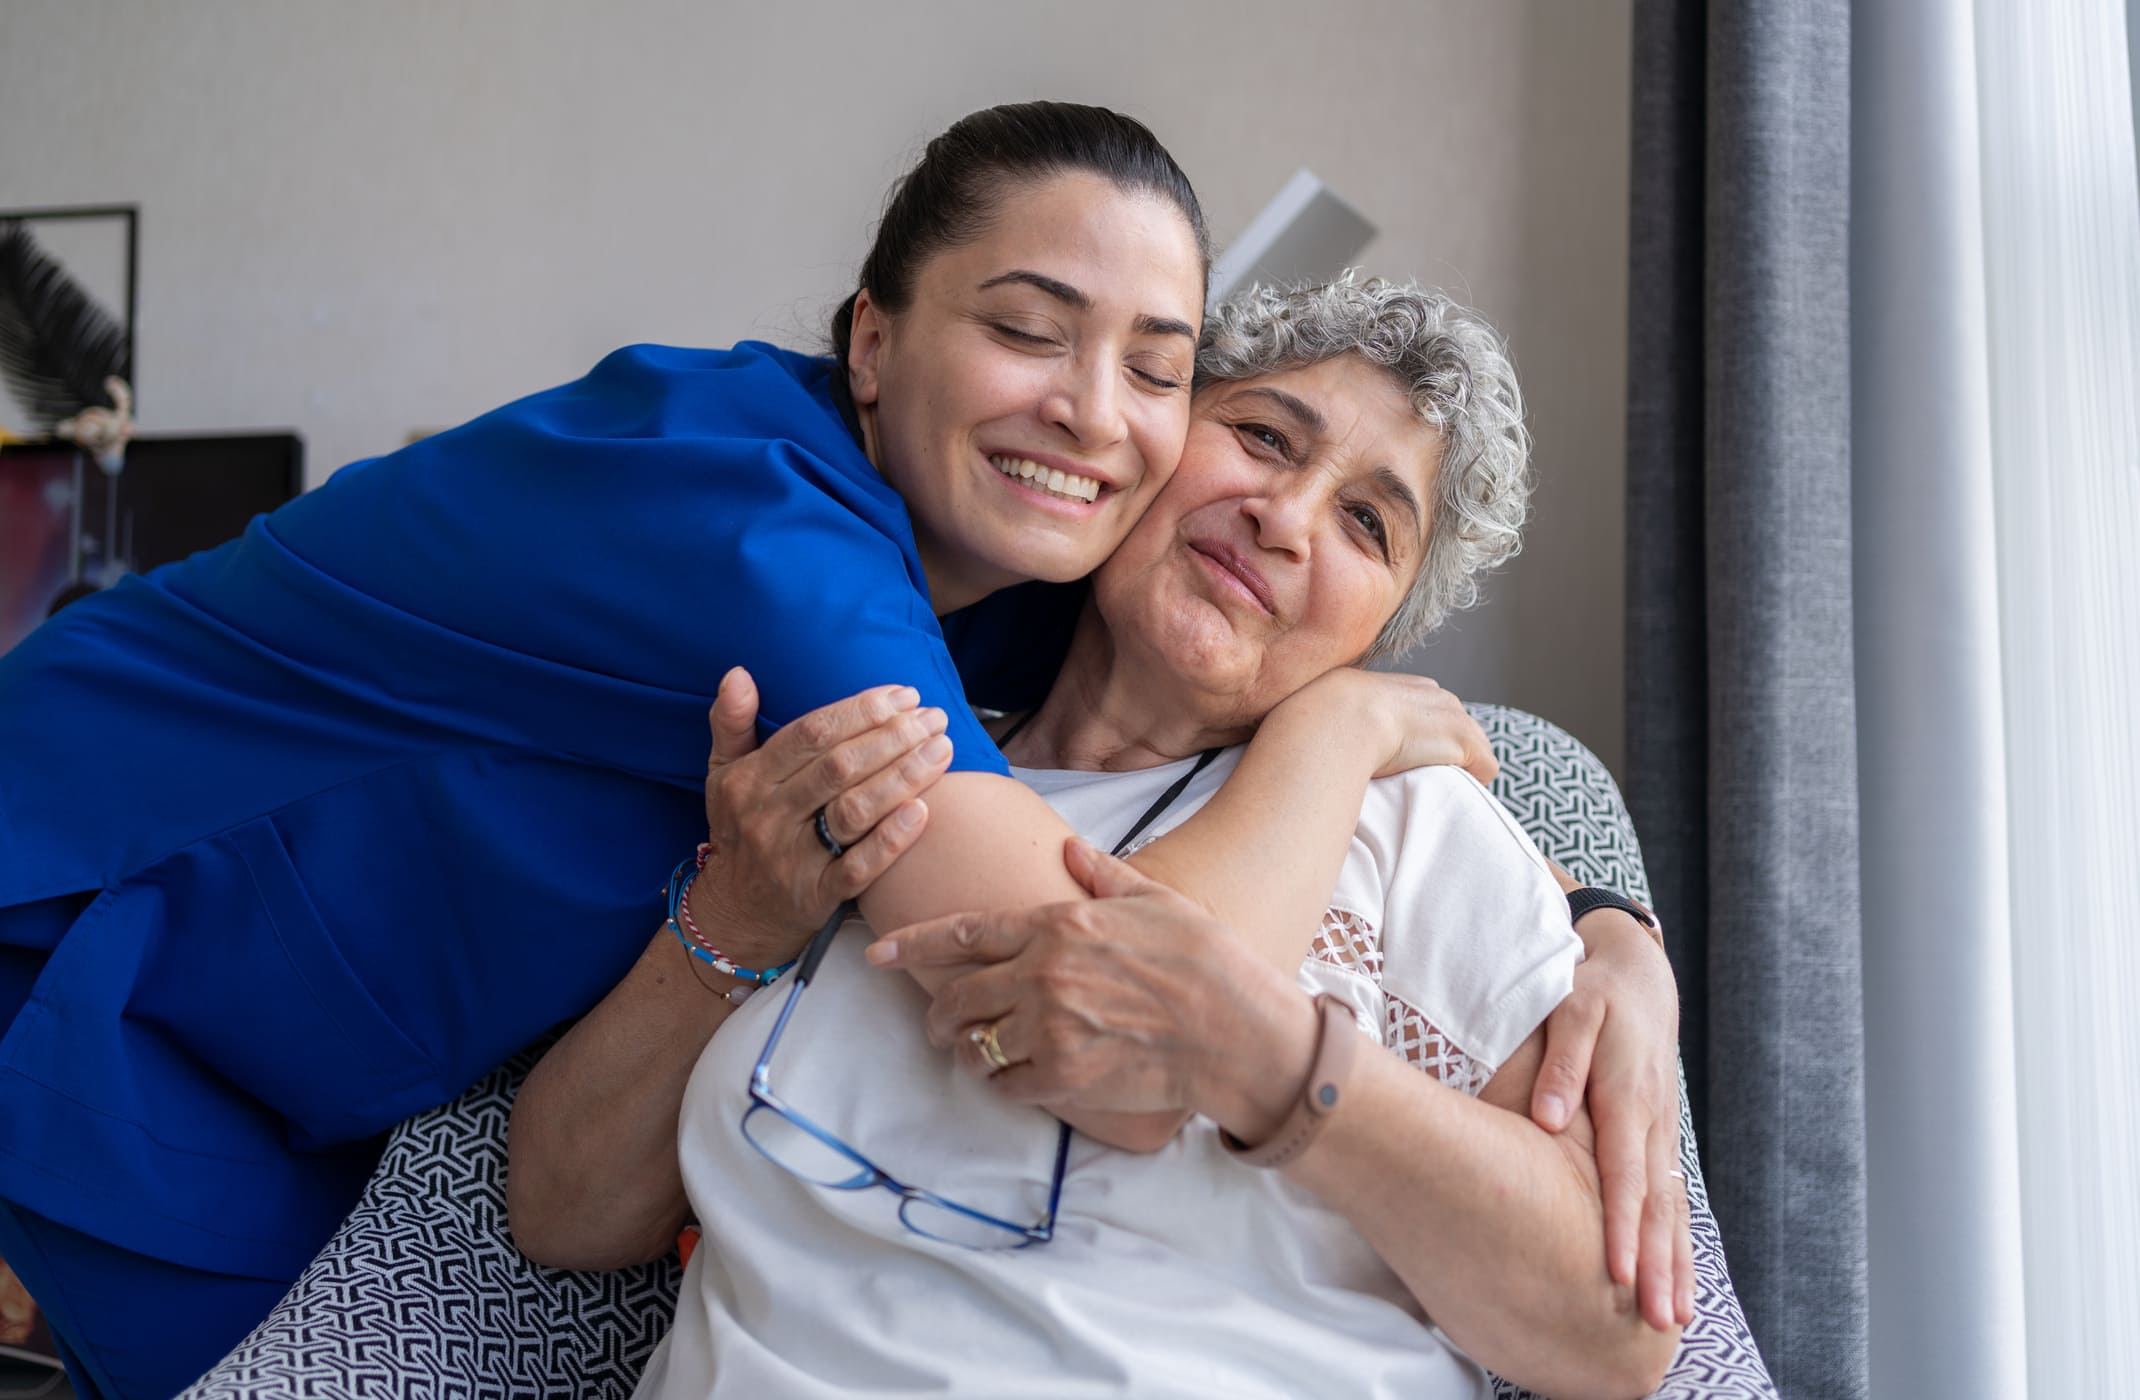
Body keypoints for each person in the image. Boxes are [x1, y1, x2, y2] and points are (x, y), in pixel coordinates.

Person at [0, 103, 1671, 1399]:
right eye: (1255, 433)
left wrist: (1620, 929)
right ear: (873, 344)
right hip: (92, 915)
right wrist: (1349, 719)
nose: (1096, 412)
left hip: (307, 1011)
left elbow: (1522, 793)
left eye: (1153, 369)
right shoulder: (783, 548)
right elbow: (1103, 994)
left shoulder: (1007, 607)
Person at [510, 279, 1685, 1399]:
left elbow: (1615, 1328)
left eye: (1367, 521)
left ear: (1382, 629)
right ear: (1148, 446)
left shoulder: (1415, 823)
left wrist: (1285, 1062)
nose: (1282, 517)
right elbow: (563, 1207)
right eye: (1265, 437)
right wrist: (745, 912)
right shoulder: (893, 742)